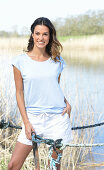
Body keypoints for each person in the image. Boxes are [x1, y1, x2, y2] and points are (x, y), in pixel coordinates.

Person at [8, 17, 73, 170]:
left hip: (57, 119)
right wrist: (26, 122)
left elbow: (53, 87)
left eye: (45, 34)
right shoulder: (19, 62)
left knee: (54, 167)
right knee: (12, 165)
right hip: (33, 119)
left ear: (50, 36)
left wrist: (66, 102)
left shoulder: (57, 61)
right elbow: (19, 93)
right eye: (37, 33)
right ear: (32, 35)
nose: (41, 38)